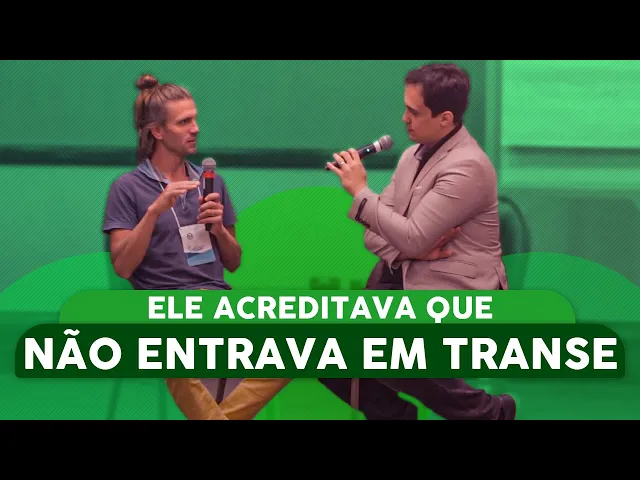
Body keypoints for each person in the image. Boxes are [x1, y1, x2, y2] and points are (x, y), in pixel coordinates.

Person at [325, 62, 516, 420]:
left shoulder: (467, 166)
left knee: (388, 348)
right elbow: (375, 234)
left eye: (414, 112)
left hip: (454, 294)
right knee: (321, 346)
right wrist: (412, 248)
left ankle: (490, 413)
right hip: (402, 285)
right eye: (405, 108)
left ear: (445, 119)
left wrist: (361, 192)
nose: (404, 119)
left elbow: (407, 235)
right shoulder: (411, 157)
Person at [102, 74, 289, 420]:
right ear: (158, 132)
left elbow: (233, 262)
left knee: (292, 346)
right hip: (162, 309)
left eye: (195, 119)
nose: (196, 128)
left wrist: (218, 230)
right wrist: (154, 212)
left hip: (216, 303)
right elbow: (123, 266)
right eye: (184, 122)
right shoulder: (127, 188)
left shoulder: (211, 181)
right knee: (174, 350)